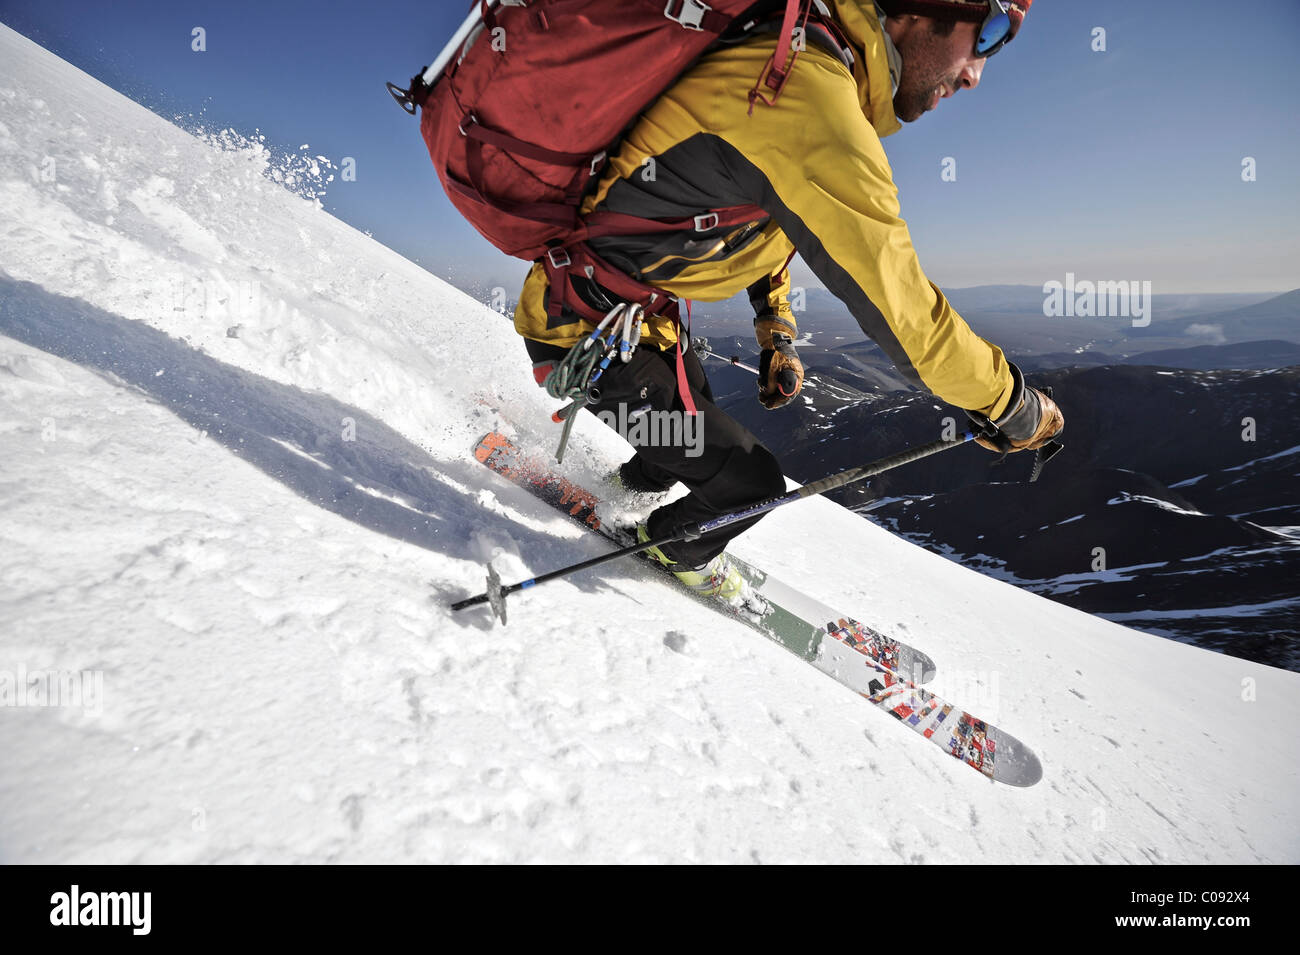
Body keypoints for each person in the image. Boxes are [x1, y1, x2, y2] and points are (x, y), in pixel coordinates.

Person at [512, 0, 1063, 599]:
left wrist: (777, 336)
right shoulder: (810, 97)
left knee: (690, 426)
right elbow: (907, 316)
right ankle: (670, 551)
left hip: (621, 326)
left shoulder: (795, 62)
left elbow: (757, 230)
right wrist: (1013, 405)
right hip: (584, 336)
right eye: (990, 31)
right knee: (749, 486)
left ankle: (620, 489)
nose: (976, 72)